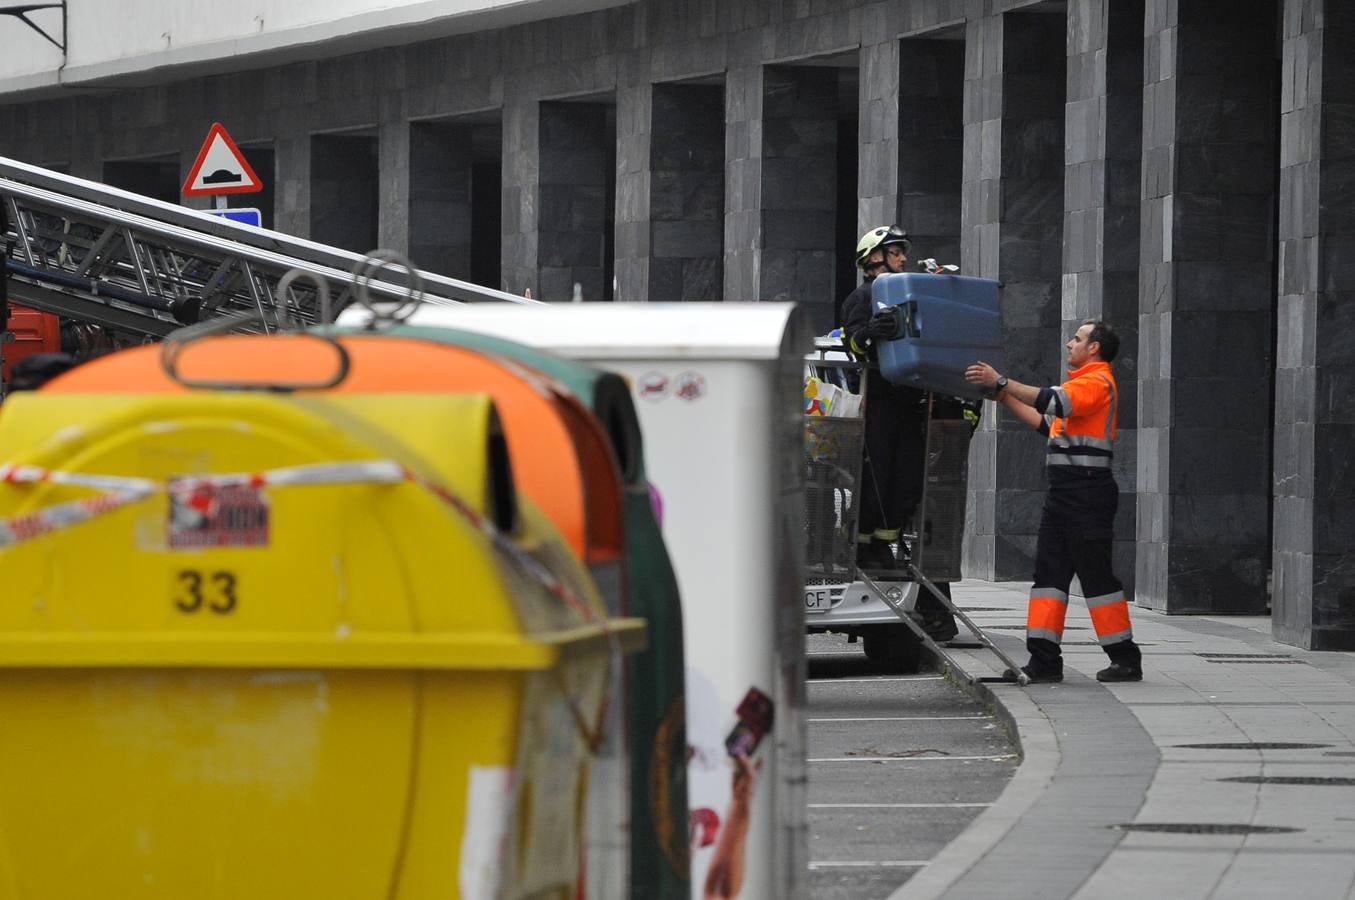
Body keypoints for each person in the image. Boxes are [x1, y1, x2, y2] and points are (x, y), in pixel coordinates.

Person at [964, 320, 1143, 684]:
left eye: (1076, 339)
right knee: (1048, 578)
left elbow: (1054, 402)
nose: (1068, 343)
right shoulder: (1081, 384)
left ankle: (1125, 659)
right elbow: (1049, 424)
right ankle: (1044, 661)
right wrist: (1005, 398)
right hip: (1065, 494)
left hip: (1088, 494)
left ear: (1094, 348)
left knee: (1096, 579)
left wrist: (1002, 382)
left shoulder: (1097, 381)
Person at [841, 225, 958, 643]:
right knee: (879, 478)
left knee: (907, 484)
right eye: (895, 252)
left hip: (915, 405)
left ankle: (886, 542)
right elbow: (853, 342)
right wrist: (873, 331)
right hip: (881, 408)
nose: (903, 258)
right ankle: (866, 546)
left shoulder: (912, 291)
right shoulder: (861, 298)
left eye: (903, 251)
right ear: (873, 258)